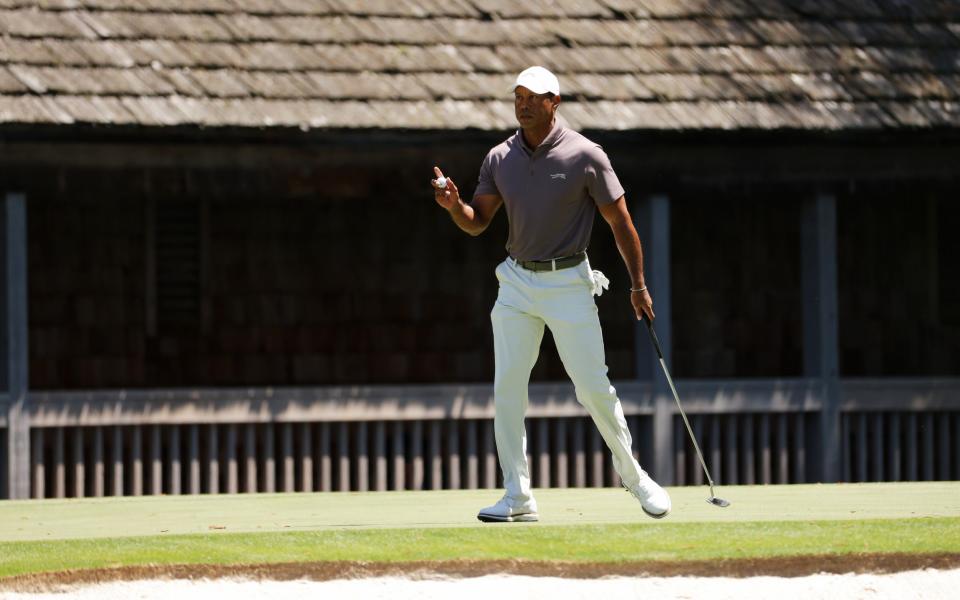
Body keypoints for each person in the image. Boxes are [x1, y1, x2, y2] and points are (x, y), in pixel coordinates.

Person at [430, 66, 671, 522]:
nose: (522, 104)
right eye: (517, 96)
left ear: (553, 102)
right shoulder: (499, 157)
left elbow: (621, 224)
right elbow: (477, 221)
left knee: (593, 389)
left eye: (532, 97)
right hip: (518, 282)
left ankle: (636, 478)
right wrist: (453, 207)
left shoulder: (586, 155)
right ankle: (517, 497)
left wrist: (638, 285)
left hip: (568, 282)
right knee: (508, 390)